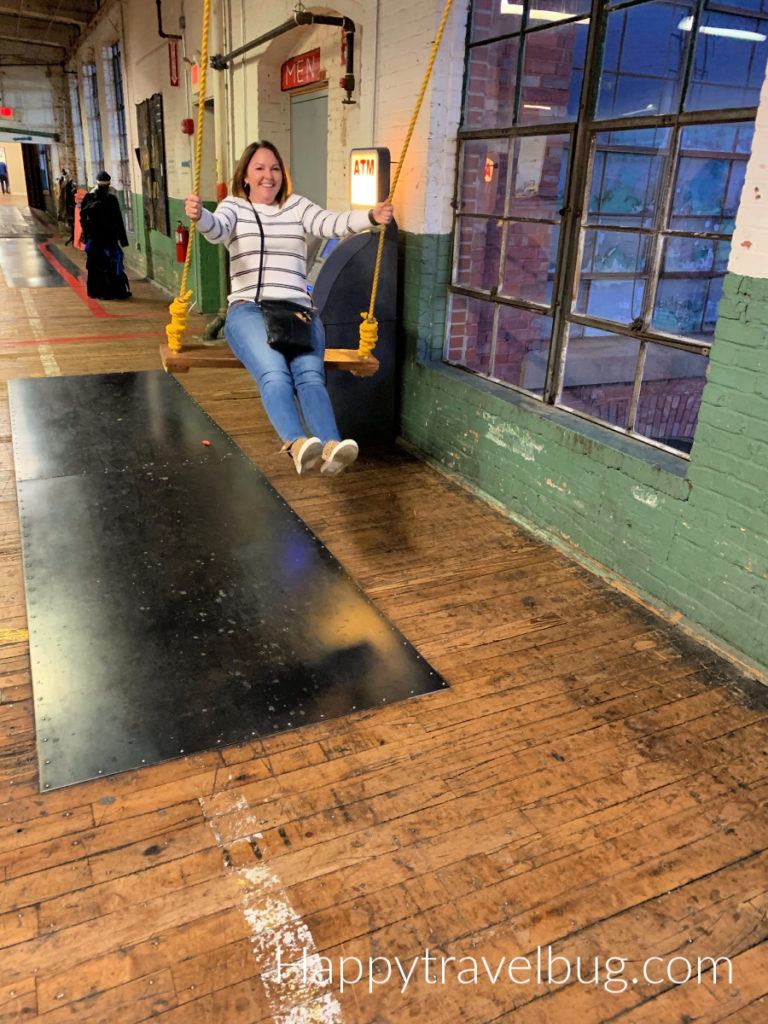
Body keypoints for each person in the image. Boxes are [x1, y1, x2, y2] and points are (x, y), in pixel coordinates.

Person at [185, 140, 393, 477]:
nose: (269, 175)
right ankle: (296, 444)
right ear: (246, 176)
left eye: (275, 168)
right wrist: (201, 215)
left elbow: (332, 224)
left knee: (310, 376)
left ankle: (330, 446)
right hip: (249, 309)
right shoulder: (233, 208)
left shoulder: (297, 207)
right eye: (260, 168)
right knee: (274, 372)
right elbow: (216, 229)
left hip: (297, 312)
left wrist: (370, 216)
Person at [79, 170, 131, 299]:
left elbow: (83, 220)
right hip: (103, 239)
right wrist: (122, 239)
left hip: (101, 239)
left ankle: (102, 291)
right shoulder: (103, 199)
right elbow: (118, 220)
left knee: (103, 266)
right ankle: (107, 291)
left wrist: (87, 237)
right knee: (106, 265)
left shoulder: (97, 199)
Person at [56, 168, 76, 244]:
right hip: (64, 204)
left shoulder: (70, 182)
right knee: (65, 220)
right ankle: (70, 235)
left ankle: (72, 235)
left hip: (69, 205)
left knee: (70, 221)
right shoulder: (62, 181)